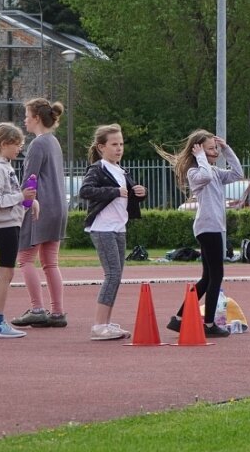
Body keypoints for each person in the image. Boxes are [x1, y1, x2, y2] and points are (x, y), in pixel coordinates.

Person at [156, 129, 244, 338]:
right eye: (211, 148)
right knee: (217, 276)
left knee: (206, 279)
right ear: (198, 151)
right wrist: (201, 157)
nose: (215, 152)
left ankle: (178, 319)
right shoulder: (195, 172)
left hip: (214, 228)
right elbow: (203, 175)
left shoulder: (214, 171)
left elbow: (238, 174)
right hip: (208, 227)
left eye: (216, 148)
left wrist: (227, 149)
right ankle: (210, 323)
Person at [79, 124, 147, 340]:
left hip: (119, 228)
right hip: (103, 228)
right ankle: (99, 325)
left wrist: (140, 192)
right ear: (101, 147)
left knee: (116, 277)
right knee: (112, 275)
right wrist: (115, 191)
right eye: (114, 144)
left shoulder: (121, 170)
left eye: (121, 144)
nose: (119, 148)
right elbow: (86, 191)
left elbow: (129, 194)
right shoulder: (97, 169)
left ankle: (106, 323)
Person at [11, 98, 69, 329]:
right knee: (50, 262)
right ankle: (57, 311)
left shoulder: (37, 144)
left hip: (39, 207)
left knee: (25, 259)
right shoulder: (53, 142)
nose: (24, 120)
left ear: (36, 118)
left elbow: (30, 180)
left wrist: (21, 205)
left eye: (26, 116)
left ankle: (37, 308)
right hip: (58, 207)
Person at [0, 123, 38, 338]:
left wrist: (29, 202)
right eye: (17, 145)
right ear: (4, 144)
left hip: (9, 223)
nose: (19, 149)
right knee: (6, 273)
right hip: (5, 225)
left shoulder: (4, 166)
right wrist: (20, 197)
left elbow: (11, 196)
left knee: (4, 274)